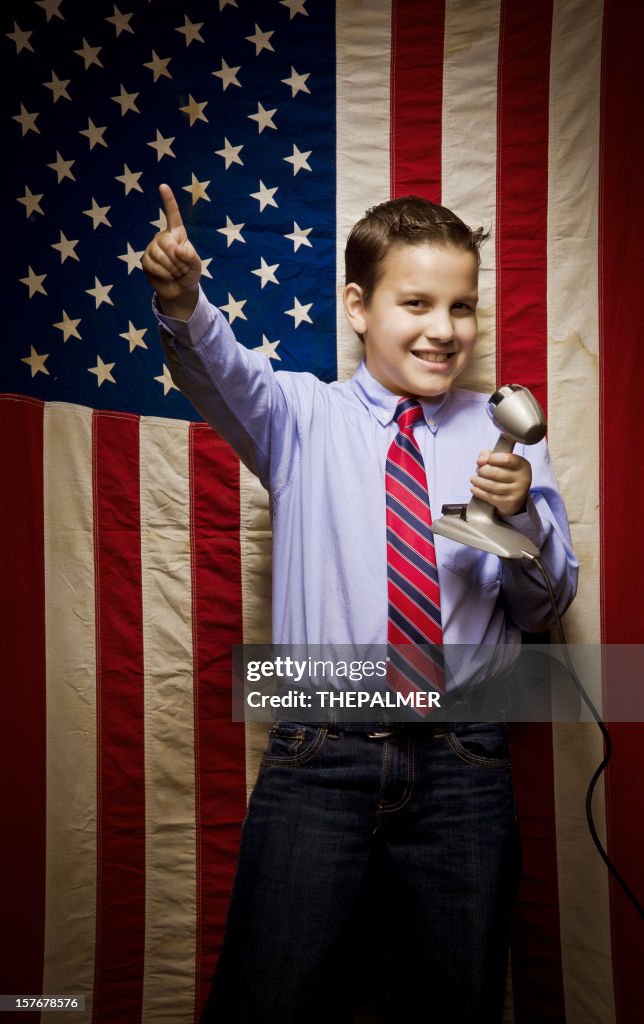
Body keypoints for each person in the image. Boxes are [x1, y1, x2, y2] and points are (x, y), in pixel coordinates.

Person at [142, 185, 578, 1023]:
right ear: (357, 305)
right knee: (269, 998)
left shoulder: (508, 443)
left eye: (462, 307)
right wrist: (181, 301)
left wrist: (522, 514)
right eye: (416, 303)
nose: (444, 329)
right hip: (322, 754)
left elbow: (544, 610)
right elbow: (217, 370)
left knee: (456, 1001)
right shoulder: (299, 416)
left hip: (466, 759)